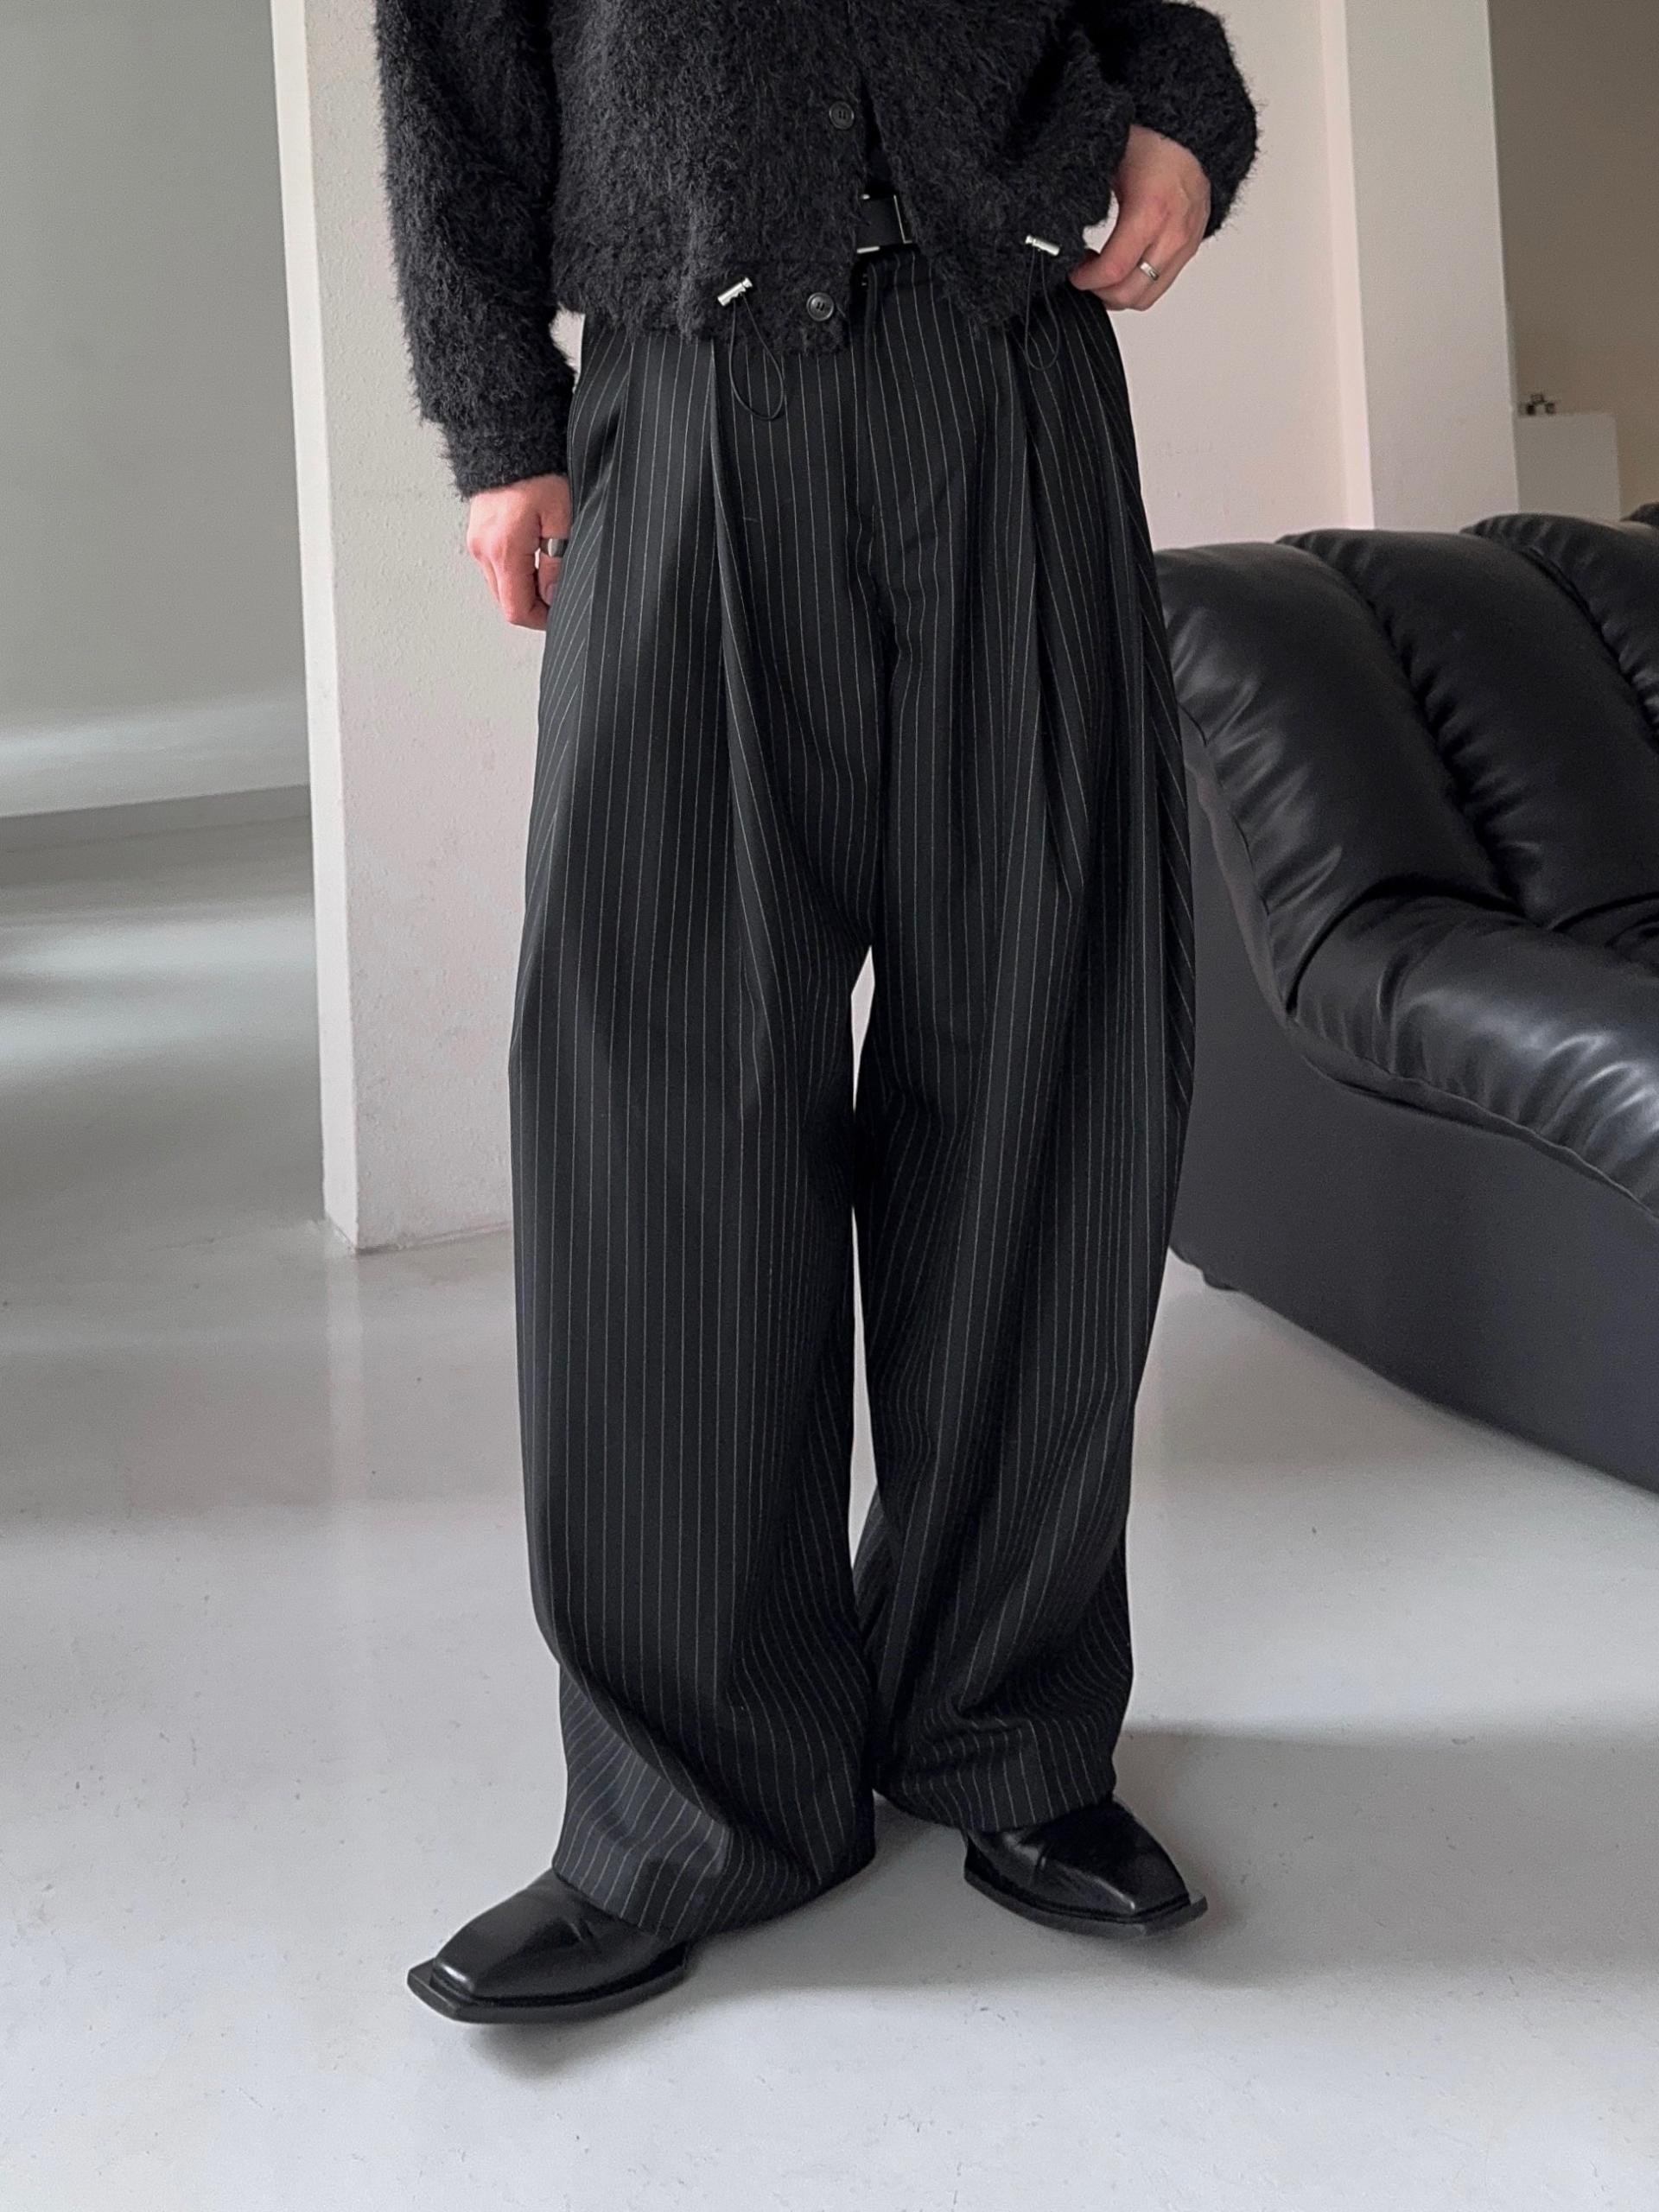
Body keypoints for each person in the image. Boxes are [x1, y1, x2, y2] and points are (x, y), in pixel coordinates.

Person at [376, 0, 1259, 2025]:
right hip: (690, 402)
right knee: (663, 1099)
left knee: (1048, 1063)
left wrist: (1184, 126)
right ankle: (691, 1801)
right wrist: (501, 421)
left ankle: (1007, 1729)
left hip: (1013, 375)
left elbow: (1147, 24)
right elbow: (453, 80)